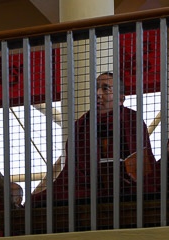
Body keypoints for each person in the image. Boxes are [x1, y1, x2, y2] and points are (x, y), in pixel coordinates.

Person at [40, 72, 156, 202]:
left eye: (105, 88)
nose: (98, 93)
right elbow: (73, 169)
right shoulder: (80, 125)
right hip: (86, 187)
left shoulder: (132, 120)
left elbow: (143, 162)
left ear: (120, 98)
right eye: (95, 88)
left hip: (127, 185)